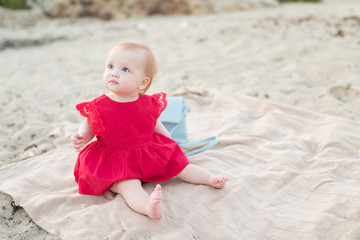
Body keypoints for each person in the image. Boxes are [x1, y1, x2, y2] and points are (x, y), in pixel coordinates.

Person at [71, 42, 228, 220]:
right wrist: (82, 135)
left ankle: (209, 178)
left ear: (142, 83)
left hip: (146, 151)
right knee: (128, 185)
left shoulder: (147, 103)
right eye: (110, 66)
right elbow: (89, 125)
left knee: (179, 166)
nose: (114, 72)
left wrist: (170, 147)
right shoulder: (99, 106)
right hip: (115, 159)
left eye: (125, 69)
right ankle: (147, 206)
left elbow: (156, 125)